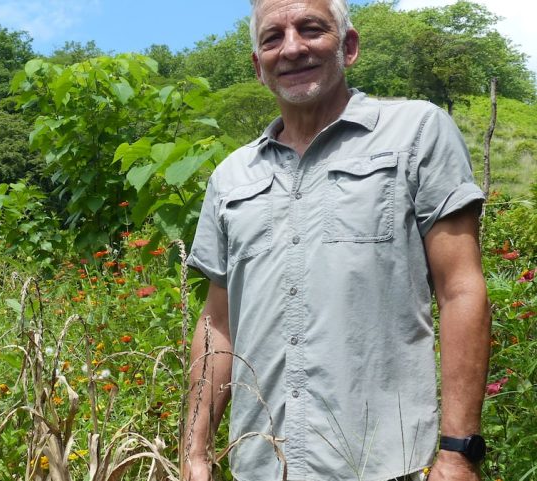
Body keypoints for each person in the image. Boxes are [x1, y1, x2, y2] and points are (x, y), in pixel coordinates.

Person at [183, 0, 491, 480]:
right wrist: (195, 452)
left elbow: (462, 290)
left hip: (386, 464)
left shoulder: (417, 131)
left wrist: (457, 452)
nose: (292, 48)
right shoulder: (231, 176)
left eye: (311, 29)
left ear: (348, 46)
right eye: (272, 37)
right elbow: (218, 323)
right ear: (258, 66)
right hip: (263, 465)